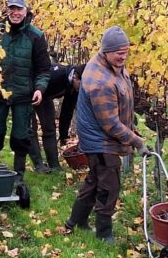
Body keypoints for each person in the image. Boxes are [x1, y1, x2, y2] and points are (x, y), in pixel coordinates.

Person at [63, 26, 149, 245]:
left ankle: (76, 221)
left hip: (102, 137)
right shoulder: (100, 81)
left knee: (95, 180)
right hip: (100, 141)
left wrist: (129, 128)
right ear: (106, 51)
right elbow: (110, 123)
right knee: (109, 185)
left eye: (126, 51)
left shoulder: (113, 64)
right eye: (119, 52)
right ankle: (104, 233)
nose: (123, 56)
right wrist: (136, 141)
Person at [0, 0, 52, 179]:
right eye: (12, 9)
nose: (15, 13)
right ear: (7, 10)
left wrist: (40, 88)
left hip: (24, 94)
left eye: (19, 9)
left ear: (26, 11)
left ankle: (19, 175)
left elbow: (43, 68)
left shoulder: (35, 36)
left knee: (21, 136)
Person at [28, 63, 85, 172]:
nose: (83, 88)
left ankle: (54, 165)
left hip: (45, 96)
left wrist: (64, 136)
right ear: (75, 77)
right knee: (31, 128)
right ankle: (38, 164)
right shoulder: (57, 75)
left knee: (49, 127)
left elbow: (67, 111)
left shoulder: (74, 88)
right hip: (28, 93)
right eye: (82, 84)